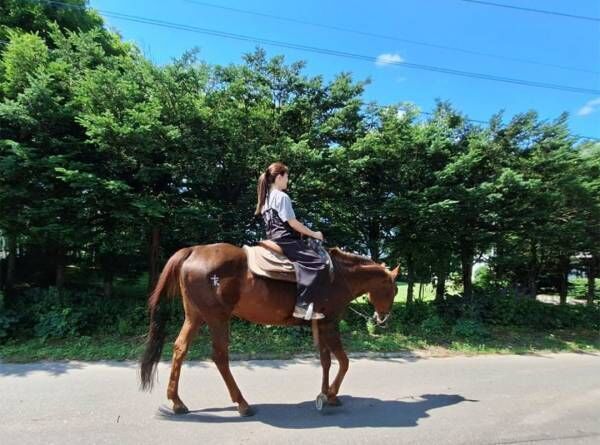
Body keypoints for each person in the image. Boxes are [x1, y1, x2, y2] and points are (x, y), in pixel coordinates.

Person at [255, 162, 327, 320]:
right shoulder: (281, 196)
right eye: (287, 177)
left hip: (273, 238)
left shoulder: (266, 199)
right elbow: (292, 223)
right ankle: (301, 306)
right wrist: (314, 234)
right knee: (318, 263)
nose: (288, 181)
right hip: (285, 239)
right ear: (279, 177)